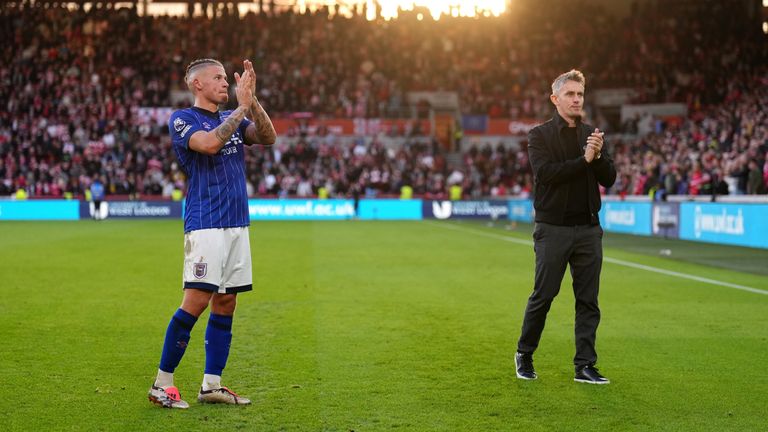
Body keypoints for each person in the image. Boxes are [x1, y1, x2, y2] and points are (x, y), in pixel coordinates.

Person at [148, 58, 276, 409]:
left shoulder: (232, 117)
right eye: (217, 78)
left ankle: (211, 385)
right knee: (197, 300)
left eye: (226, 78)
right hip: (205, 223)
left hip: (237, 223)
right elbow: (207, 145)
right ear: (197, 85)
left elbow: (267, 136)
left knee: (226, 301)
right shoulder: (183, 119)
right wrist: (241, 109)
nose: (224, 83)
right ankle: (162, 384)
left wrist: (252, 101)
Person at [514, 70, 616, 384]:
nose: (576, 99)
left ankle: (585, 365)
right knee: (543, 295)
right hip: (553, 229)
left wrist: (597, 157)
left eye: (580, 94)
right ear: (555, 99)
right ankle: (525, 353)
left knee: (588, 300)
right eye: (570, 94)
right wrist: (585, 160)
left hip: (588, 229)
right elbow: (546, 175)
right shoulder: (539, 135)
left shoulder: (592, 134)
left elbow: (609, 179)